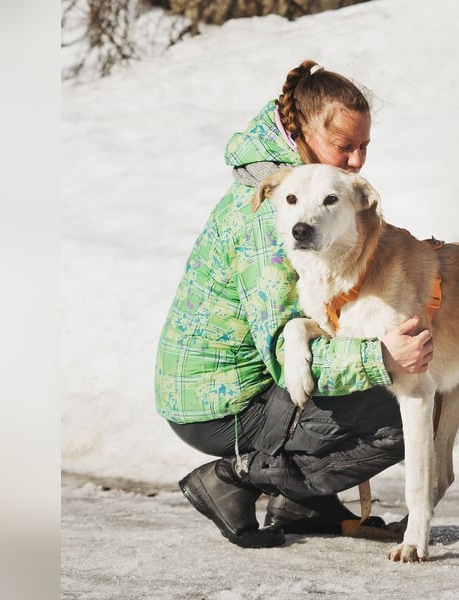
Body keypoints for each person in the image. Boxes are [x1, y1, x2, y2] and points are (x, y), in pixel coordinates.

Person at [155, 59, 434, 548]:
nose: (355, 161)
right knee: (396, 408)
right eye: (344, 146)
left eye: (364, 147)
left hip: (231, 387)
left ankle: (303, 503)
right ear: (301, 129)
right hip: (220, 405)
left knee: (386, 384)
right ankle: (233, 478)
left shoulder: (299, 186)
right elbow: (283, 350)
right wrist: (380, 358)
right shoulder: (271, 212)